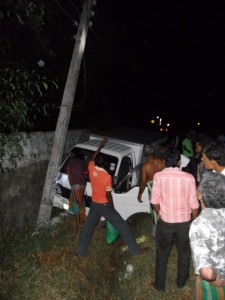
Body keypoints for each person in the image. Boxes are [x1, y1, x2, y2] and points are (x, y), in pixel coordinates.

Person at [76, 137, 149, 257]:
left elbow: (92, 158)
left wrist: (100, 146)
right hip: (104, 205)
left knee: (88, 228)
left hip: (94, 203)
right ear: (104, 164)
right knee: (123, 225)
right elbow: (108, 195)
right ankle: (136, 251)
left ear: (95, 163)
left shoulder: (91, 167)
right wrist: (112, 208)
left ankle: (80, 252)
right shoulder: (106, 177)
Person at [150, 147, 199, 292]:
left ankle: (159, 286)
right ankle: (181, 283)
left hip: (165, 222)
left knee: (162, 253)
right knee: (184, 253)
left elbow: (154, 201)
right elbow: (194, 204)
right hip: (184, 223)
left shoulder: (158, 176)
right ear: (179, 162)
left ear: (165, 162)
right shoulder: (189, 178)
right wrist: (195, 221)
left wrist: (160, 213)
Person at [189, 172, 225, 299]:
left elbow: (207, 273)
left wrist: (214, 278)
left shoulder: (199, 225)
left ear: (199, 195)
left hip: (217, 282)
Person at [137, 144, 165, 237]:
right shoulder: (161, 162)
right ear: (153, 152)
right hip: (163, 187)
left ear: (145, 154)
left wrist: (139, 194)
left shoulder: (145, 166)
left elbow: (143, 182)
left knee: (154, 211)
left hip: (153, 191)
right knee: (164, 208)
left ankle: (156, 233)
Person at [66, 152, 88, 235]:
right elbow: (86, 175)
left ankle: (78, 228)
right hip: (83, 184)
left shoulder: (71, 161)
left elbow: (68, 173)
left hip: (75, 183)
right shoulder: (83, 163)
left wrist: (71, 183)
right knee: (81, 203)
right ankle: (82, 221)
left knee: (76, 205)